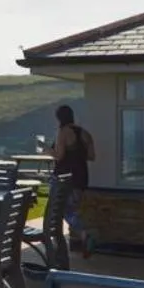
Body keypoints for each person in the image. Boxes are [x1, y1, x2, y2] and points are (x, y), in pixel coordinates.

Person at [50, 103, 95, 258]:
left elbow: (59, 156)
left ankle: (81, 234)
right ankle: (82, 236)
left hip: (64, 178)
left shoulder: (63, 132)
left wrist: (46, 150)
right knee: (72, 209)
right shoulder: (85, 133)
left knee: (61, 210)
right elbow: (91, 156)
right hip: (82, 177)